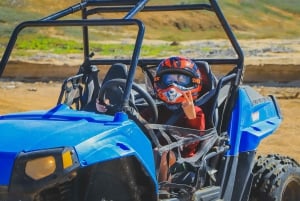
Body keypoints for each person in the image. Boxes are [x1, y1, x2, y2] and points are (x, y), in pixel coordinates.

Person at [96, 56, 206, 185]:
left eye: (181, 80)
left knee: (161, 154)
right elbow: (137, 124)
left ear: (193, 82)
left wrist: (191, 117)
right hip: (151, 152)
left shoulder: (196, 112)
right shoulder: (156, 108)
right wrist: (107, 109)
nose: (173, 86)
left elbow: (193, 144)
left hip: (182, 160)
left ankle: (163, 192)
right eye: (169, 80)